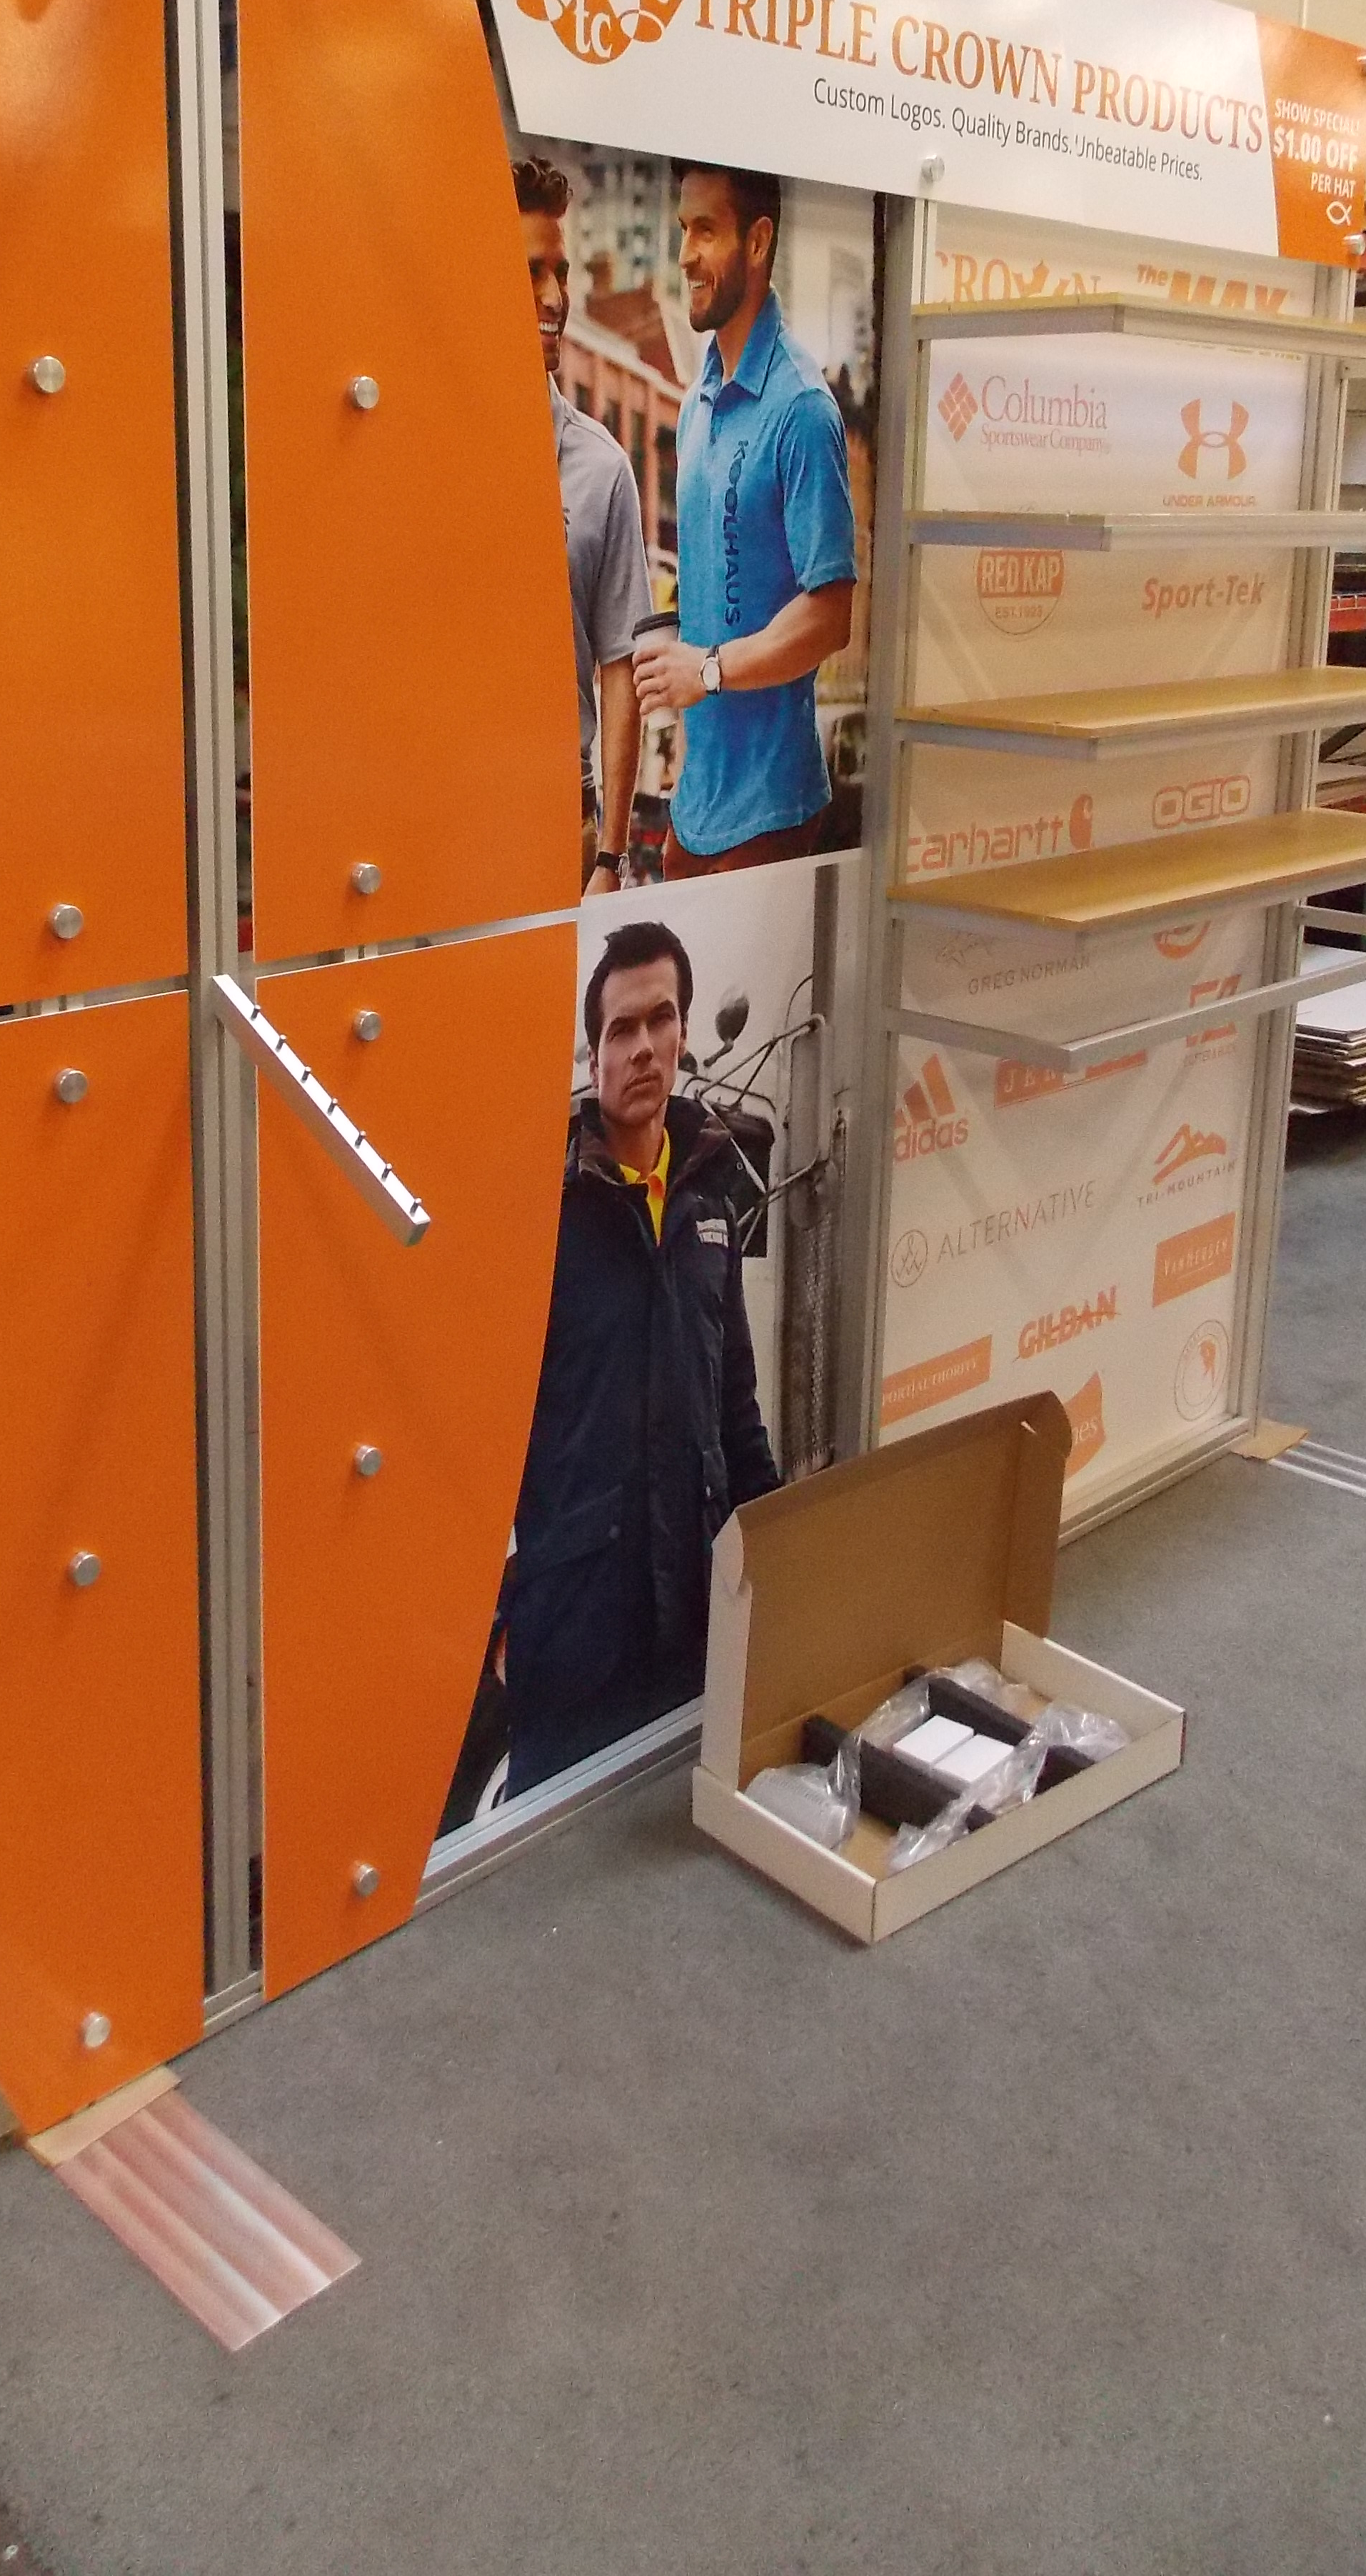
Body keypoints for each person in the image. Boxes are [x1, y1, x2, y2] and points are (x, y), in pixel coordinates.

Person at [500, 919, 780, 1794]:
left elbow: (735, 1406)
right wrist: (496, 1617)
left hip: (694, 1608)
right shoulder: (542, 1216)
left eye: (661, 1019)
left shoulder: (710, 1201)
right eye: (621, 1029)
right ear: (594, 1059)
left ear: (685, 1032)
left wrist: (779, 1558)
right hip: (576, 1624)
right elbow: (483, 1439)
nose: (644, 1047)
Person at [633, 165, 857, 875]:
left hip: (771, 813)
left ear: (757, 243)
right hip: (693, 811)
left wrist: (708, 670)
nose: (685, 255)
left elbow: (831, 615)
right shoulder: (696, 402)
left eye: (706, 231)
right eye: (682, 230)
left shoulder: (802, 408)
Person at [518, 157, 648, 895]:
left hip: (562, 826)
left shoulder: (602, 469)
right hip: (444, 821)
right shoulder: (430, 459)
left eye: (561, 273)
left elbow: (621, 669)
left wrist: (610, 857)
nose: (553, 296)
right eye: (531, 271)